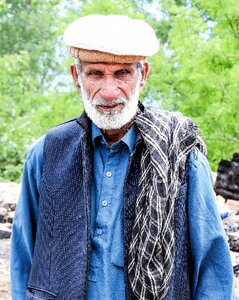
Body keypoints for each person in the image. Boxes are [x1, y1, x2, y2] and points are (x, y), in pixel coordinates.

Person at [11, 14, 234, 300]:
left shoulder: (181, 156)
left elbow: (213, 269)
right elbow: (24, 260)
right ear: (76, 77)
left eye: (122, 73)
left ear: (143, 75)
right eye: (95, 73)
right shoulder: (46, 153)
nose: (108, 91)